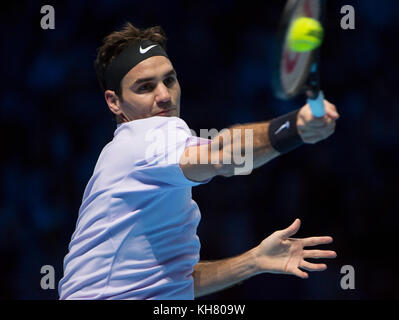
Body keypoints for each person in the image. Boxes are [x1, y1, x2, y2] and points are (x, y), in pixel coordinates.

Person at [58, 22, 338, 300]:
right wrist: (293, 127)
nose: (164, 96)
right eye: (145, 87)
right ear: (114, 102)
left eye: (169, 80)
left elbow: (175, 281)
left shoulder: (138, 165)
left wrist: (253, 261)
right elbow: (222, 156)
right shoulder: (142, 139)